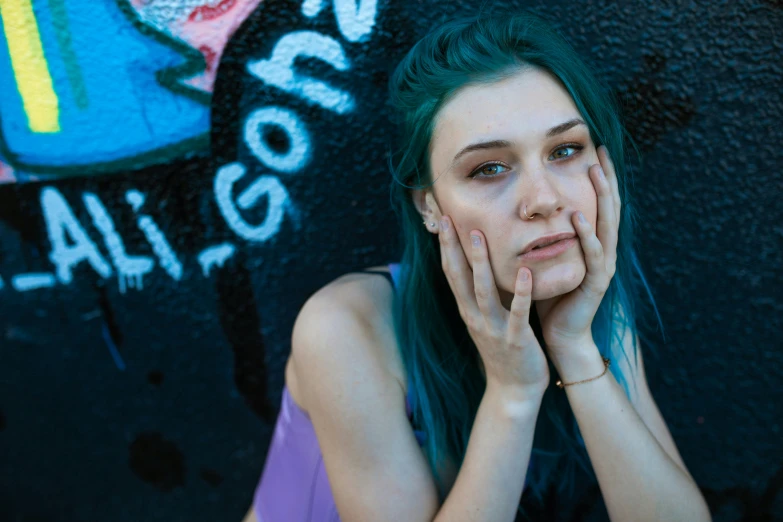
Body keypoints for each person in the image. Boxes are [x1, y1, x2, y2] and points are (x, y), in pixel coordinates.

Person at [243, 9, 712, 522]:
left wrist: (575, 350)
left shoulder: (593, 305)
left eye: (565, 149)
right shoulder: (344, 329)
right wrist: (511, 392)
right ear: (428, 205)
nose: (543, 199)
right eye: (489, 168)